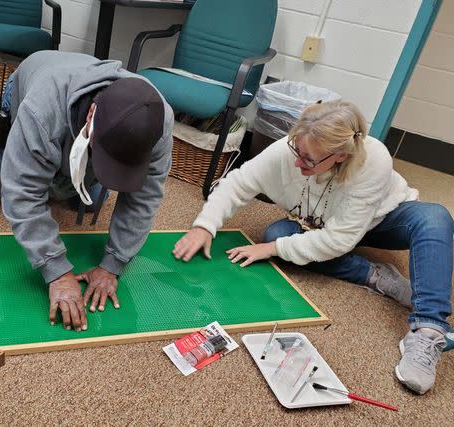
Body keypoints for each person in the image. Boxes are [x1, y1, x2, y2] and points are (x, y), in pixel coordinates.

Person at [173, 102, 453, 395]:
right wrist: (204, 225)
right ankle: (374, 275)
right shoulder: (289, 150)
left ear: (341, 155)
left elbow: (339, 241)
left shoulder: (375, 158)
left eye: (308, 160)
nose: (297, 162)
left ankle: (428, 329)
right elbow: (238, 183)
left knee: (435, 218)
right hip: (324, 226)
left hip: (382, 222)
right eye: (297, 149)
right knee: (277, 233)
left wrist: (271, 250)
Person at [0, 51, 173, 333]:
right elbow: (21, 192)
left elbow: (145, 197)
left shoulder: (160, 122)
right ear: (91, 115)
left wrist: (114, 263)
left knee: (89, 203)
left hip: (77, 103)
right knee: (5, 189)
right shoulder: (41, 111)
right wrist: (56, 270)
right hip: (28, 83)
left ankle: (69, 172)